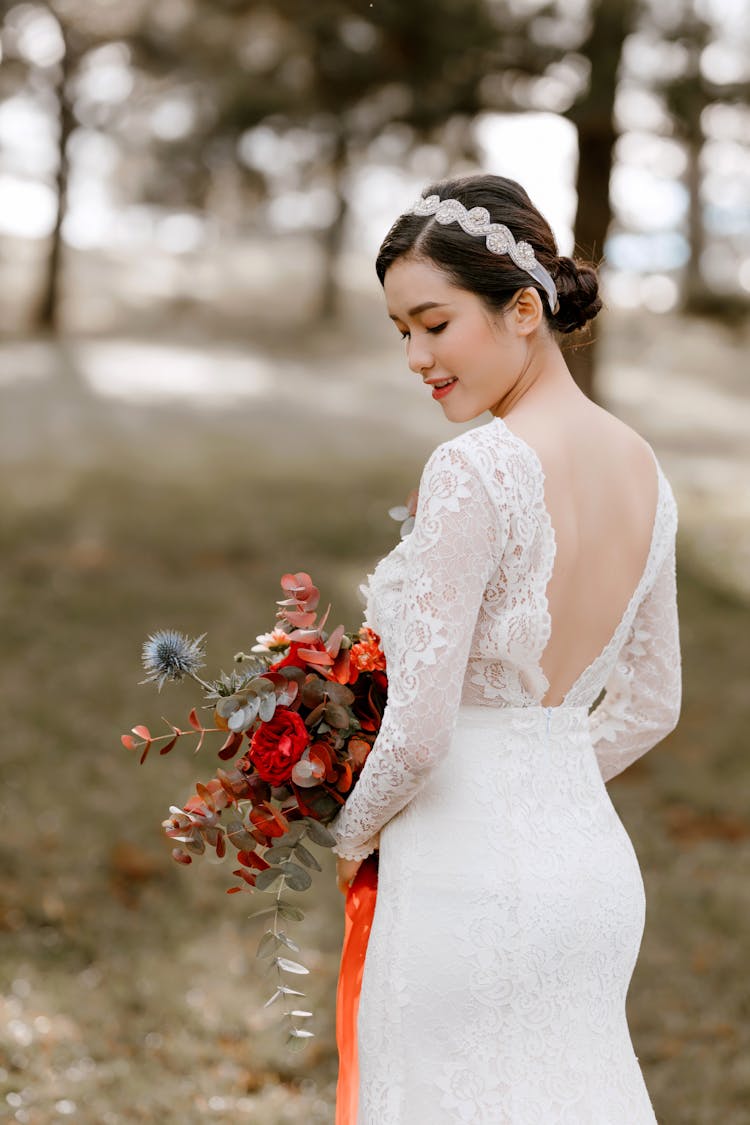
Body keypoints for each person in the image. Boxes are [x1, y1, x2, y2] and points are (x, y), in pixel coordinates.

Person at [328, 174, 681, 1124]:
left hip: (462, 874)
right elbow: (654, 705)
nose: (415, 355)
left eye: (434, 324)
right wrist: (545, 782)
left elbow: (420, 734)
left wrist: (347, 834)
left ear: (523, 308)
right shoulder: (647, 467)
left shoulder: (475, 468)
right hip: (591, 873)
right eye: (401, 331)